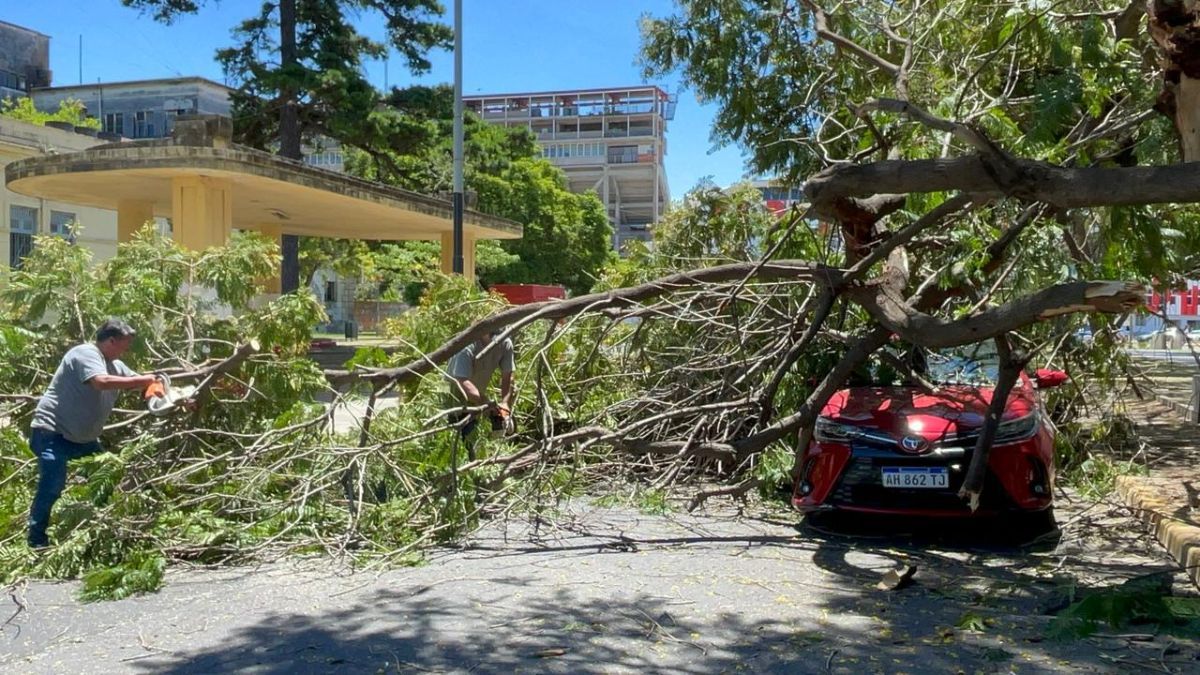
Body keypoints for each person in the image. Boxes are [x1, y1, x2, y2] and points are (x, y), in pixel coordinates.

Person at [26, 318, 160, 549]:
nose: (126, 350)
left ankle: (106, 531)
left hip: (84, 441)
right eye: (124, 344)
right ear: (110, 340)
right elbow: (100, 382)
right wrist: (144, 380)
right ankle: (36, 542)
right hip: (52, 434)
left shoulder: (115, 365)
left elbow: (141, 382)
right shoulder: (85, 353)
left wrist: (166, 393)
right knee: (52, 485)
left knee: (107, 479)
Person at [446, 331, 515, 458]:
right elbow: (462, 381)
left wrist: (505, 403)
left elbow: (508, 376)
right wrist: (487, 403)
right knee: (453, 447)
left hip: (475, 401)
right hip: (453, 401)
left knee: (472, 444)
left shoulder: (505, 342)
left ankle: (474, 466)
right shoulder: (467, 346)